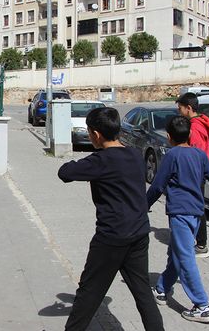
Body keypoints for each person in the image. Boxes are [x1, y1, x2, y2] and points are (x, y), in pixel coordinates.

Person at [57, 107, 164, 331]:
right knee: (143, 293)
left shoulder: (100, 161)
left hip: (111, 238)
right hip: (139, 233)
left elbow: (65, 172)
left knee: (89, 292)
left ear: (96, 134)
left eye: (89, 132)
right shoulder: (135, 154)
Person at [148, 115, 209, 324]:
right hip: (196, 213)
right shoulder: (199, 155)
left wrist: (142, 207)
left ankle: (202, 306)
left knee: (185, 258)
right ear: (190, 134)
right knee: (176, 252)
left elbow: (158, 185)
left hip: (181, 214)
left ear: (169, 136)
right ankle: (162, 288)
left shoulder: (172, 155)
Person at [176, 92, 209, 257]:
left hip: (196, 173)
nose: (179, 112)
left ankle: (201, 244)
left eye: (180, 109)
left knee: (197, 207)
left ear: (189, 108)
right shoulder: (200, 123)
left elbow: (196, 153)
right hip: (199, 171)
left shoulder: (195, 127)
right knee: (196, 206)